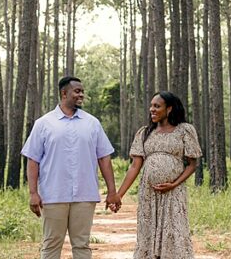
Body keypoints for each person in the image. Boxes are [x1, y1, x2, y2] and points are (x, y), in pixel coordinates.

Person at [22, 75, 121, 259]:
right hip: (53, 195)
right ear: (64, 93)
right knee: (51, 244)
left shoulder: (92, 123)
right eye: (77, 91)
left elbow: (104, 159)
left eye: (82, 91)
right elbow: (33, 160)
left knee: (82, 245)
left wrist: (112, 191)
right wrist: (33, 193)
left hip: (85, 194)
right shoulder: (44, 124)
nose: (81, 95)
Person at [116, 91, 201, 259]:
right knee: (148, 231)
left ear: (169, 109)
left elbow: (192, 165)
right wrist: (119, 194)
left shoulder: (185, 130)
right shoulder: (144, 132)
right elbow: (135, 166)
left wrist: (174, 184)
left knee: (174, 229)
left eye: (157, 106)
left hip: (173, 192)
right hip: (149, 193)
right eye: (151, 106)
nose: (152, 110)